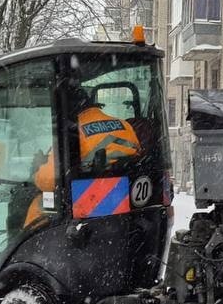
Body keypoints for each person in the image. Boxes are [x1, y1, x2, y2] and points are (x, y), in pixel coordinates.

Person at [23, 86, 140, 228]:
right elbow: (136, 156)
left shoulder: (72, 133)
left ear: (67, 108)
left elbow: (48, 181)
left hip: (90, 202)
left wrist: (38, 169)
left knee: (40, 204)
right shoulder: (124, 125)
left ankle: (33, 248)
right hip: (125, 198)